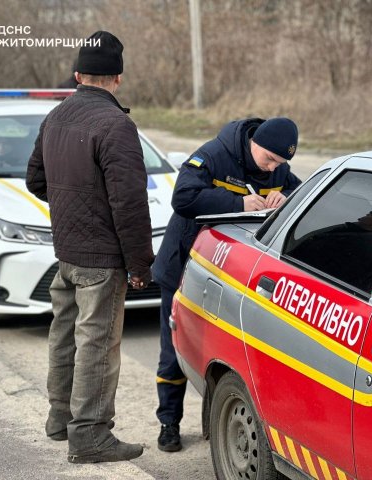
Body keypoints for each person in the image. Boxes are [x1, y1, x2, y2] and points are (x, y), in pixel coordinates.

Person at [26, 31, 154, 464]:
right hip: (102, 259)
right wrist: (139, 265)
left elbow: (36, 181)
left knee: (64, 336)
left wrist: (72, 209)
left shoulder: (56, 116)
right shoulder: (116, 125)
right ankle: (91, 436)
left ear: (78, 74)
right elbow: (130, 204)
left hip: (66, 252)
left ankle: (60, 419)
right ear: (117, 78)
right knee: (97, 344)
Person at [151, 117, 302, 451]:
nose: (273, 166)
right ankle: (169, 424)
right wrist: (238, 204)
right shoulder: (214, 155)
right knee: (173, 347)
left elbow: (300, 190)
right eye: (270, 158)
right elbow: (184, 198)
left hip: (227, 273)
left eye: (280, 163)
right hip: (184, 264)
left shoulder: (276, 169)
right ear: (255, 143)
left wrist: (285, 196)